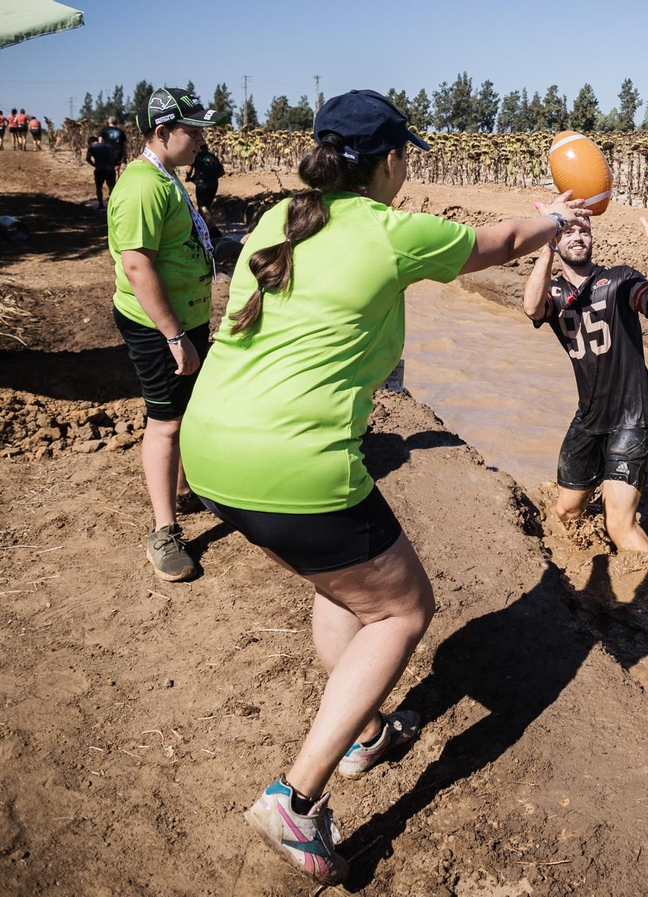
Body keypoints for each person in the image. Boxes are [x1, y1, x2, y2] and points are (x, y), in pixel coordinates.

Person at [177, 89, 592, 884]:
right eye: (408, 156)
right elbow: (499, 240)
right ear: (392, 159)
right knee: (403, 609)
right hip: (292, 463)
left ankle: (366, 730)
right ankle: (295, 798)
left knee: (343, 588)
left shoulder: (279, 218)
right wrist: (555, 218)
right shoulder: (392, 230)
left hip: (211, 449)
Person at [107, 87, 227, 582]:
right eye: (192, 131)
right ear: (162, 132)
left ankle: (182, 488)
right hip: (159, 325)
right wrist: (176, 337)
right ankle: (164, 531)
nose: (200, 140)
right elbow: (136, 266)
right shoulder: (142, 187)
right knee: (166, 422)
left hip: (181, 319)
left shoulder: (167, 177)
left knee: (186, 410)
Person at [521, 201, 648, 553]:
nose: (577, 237)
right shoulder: (555, 293)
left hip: (633, 416)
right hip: (589, 416)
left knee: (619, 524)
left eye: (584, 231)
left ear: (592, 239)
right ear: (557, 241)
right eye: (568, 232)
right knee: (567, 511)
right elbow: (531, 308)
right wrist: (545, 242)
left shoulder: (620, 279)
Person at [185, 141, 226, 226]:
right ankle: (204, 225)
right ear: (207, 148)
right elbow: (222, 172)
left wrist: (188, 178)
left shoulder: (196, 156)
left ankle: (212, 228)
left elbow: (189, 169)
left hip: (201, 184)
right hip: (214, 184)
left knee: (202, 206)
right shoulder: (213, 157)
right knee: (207, 205)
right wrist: (212, 177)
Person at [86, 135, 120, 208]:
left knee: (99, 187)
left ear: (90, 143)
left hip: (99, 169)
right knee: (112, 187)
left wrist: (94, 164)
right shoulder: (109, 146)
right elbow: (115, 156)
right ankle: (113, 203)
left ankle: (101, 204)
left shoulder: (91, 148)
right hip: (110, 169)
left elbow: (88, 159)